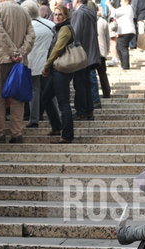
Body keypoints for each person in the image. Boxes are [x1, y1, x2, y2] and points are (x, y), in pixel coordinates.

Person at [0, 0, 35, 144]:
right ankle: (17, 133)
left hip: (0, 59)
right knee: (18, 99)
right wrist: (21, 52)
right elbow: (31, 36)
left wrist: (12, 51)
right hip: (20, 62)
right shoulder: (24, 12)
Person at [41, 5, 74, 144]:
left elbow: (57, 50)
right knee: (46, 97)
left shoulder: (65, 29)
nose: (57, 16)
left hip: (61, 70)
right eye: (55, 14)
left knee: (63, 103)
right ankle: (56, 126)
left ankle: (67, 135)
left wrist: (47, 65)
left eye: (60, 14)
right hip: (57, 70)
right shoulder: (59, 28)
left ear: (66, 16)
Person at [22, 0, 55, 129]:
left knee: (34, 91)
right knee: (51, 92)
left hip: (32, 63)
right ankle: (56, 118)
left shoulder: (27, 28)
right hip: (49, 62)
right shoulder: (51, 24)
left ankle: (34, 119)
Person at [71, 0, 101, 120]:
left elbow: (75, 34)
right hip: (89, 53)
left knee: (80, 83)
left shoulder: (79, 13)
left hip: (81, 54)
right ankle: (89, 110)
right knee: (86, 83)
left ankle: (82, 111)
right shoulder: (90, 12)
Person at [106, 0, 136, 69]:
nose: (120, 3)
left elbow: (115, 12)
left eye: (121, 1)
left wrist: (109, 5)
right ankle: (123, 64)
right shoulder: (125, 8)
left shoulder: (127, 8)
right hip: (123, 31)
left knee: (123, 48)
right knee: (118, 47)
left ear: (126, 1)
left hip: (126, 31)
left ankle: (125, 66)